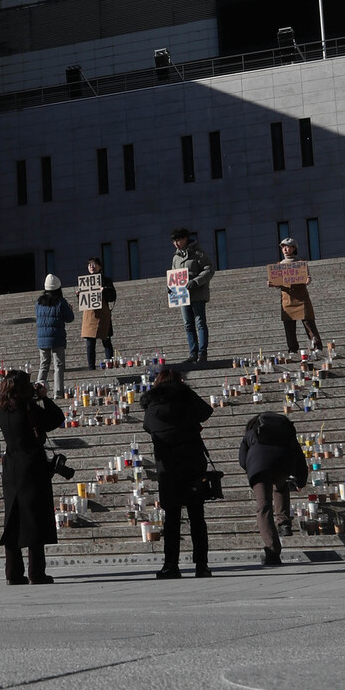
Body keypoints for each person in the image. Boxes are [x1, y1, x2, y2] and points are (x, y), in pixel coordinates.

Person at [140, 368, 213, 578]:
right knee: (197, 517)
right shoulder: (185, 396)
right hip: (192, 463)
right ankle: (202, 565)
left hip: (168, 468)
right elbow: (206, 412)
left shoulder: (152, 403)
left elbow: (148, 426)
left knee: (171, 518)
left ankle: (170, 565)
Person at [0, 371, 65, 585]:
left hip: (11, 466)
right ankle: (36, 572)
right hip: (31, 465)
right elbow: (55, 419)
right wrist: (43, 397)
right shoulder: (27, 408)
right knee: (35, 518)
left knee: (14, 519)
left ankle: (13, 572)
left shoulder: (2, 409)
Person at [238, 412, 308, 568]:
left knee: (264, 506)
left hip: (259, 466)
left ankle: (272, 550)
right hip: (283, 464)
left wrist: (251, 468)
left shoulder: (250, 434)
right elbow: (299, 456)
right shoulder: (284, 433)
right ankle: (284, 523)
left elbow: (243, 460)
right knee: (281, 486)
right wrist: (301, 480)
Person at [170, 228, 215, 366]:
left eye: (178, 240)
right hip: (182, 295)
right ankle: (192, 353)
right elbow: (173, 274)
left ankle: (202, 353)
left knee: (200, 322)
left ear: (185, 239)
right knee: (188, 325)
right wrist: (170, 286)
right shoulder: (176, 257)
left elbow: (209, 269)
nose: (176, 243)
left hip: (197, 293)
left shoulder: (198, 253)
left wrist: (196, 281)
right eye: (174, 241)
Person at [272, 237, 323, 355]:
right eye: (283, 247)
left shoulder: (301, 263)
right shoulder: (279, 265)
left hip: (301, 297)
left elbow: (307, 278)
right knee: (289, 325)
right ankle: (292, 349)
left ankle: (317, 345)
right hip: (287, 298)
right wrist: (272, 283)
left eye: (288, 246)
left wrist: (308, 280)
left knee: (308, 323)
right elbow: (277, 283)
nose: (285, 249)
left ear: (294, 248)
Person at [35, 273, 74, 398]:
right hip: (57, 338)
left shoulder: (39, 303)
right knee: (58, 365)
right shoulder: (60, 302)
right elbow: (69, 318)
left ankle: (37, 390)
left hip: (42, 339)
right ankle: (58, 392)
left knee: (44, 364)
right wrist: (70, 309)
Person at [79, 255, 116, 368]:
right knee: (90, 343)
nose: (91, 266)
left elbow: (112, 297)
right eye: (89, 264)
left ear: (100, 267)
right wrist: (79, 295)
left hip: (103, 315)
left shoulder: (106, 281)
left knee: (106, 340)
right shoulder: (85, 282)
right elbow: (83, 301)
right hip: (90, 315)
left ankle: (109, 363)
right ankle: (91, 366)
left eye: (94, 264)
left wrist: (104, 290)